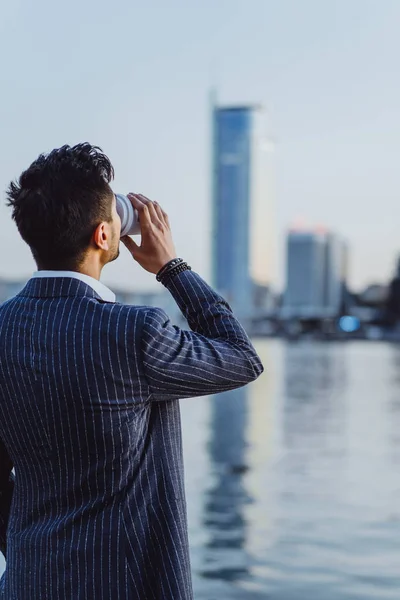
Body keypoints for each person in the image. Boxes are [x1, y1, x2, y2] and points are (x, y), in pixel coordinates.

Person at [0, 143, 263, 600]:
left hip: (27, 581)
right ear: (104, 236)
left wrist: (27, 551)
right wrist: (171, 267)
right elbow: (241, 357)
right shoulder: (134, 333)